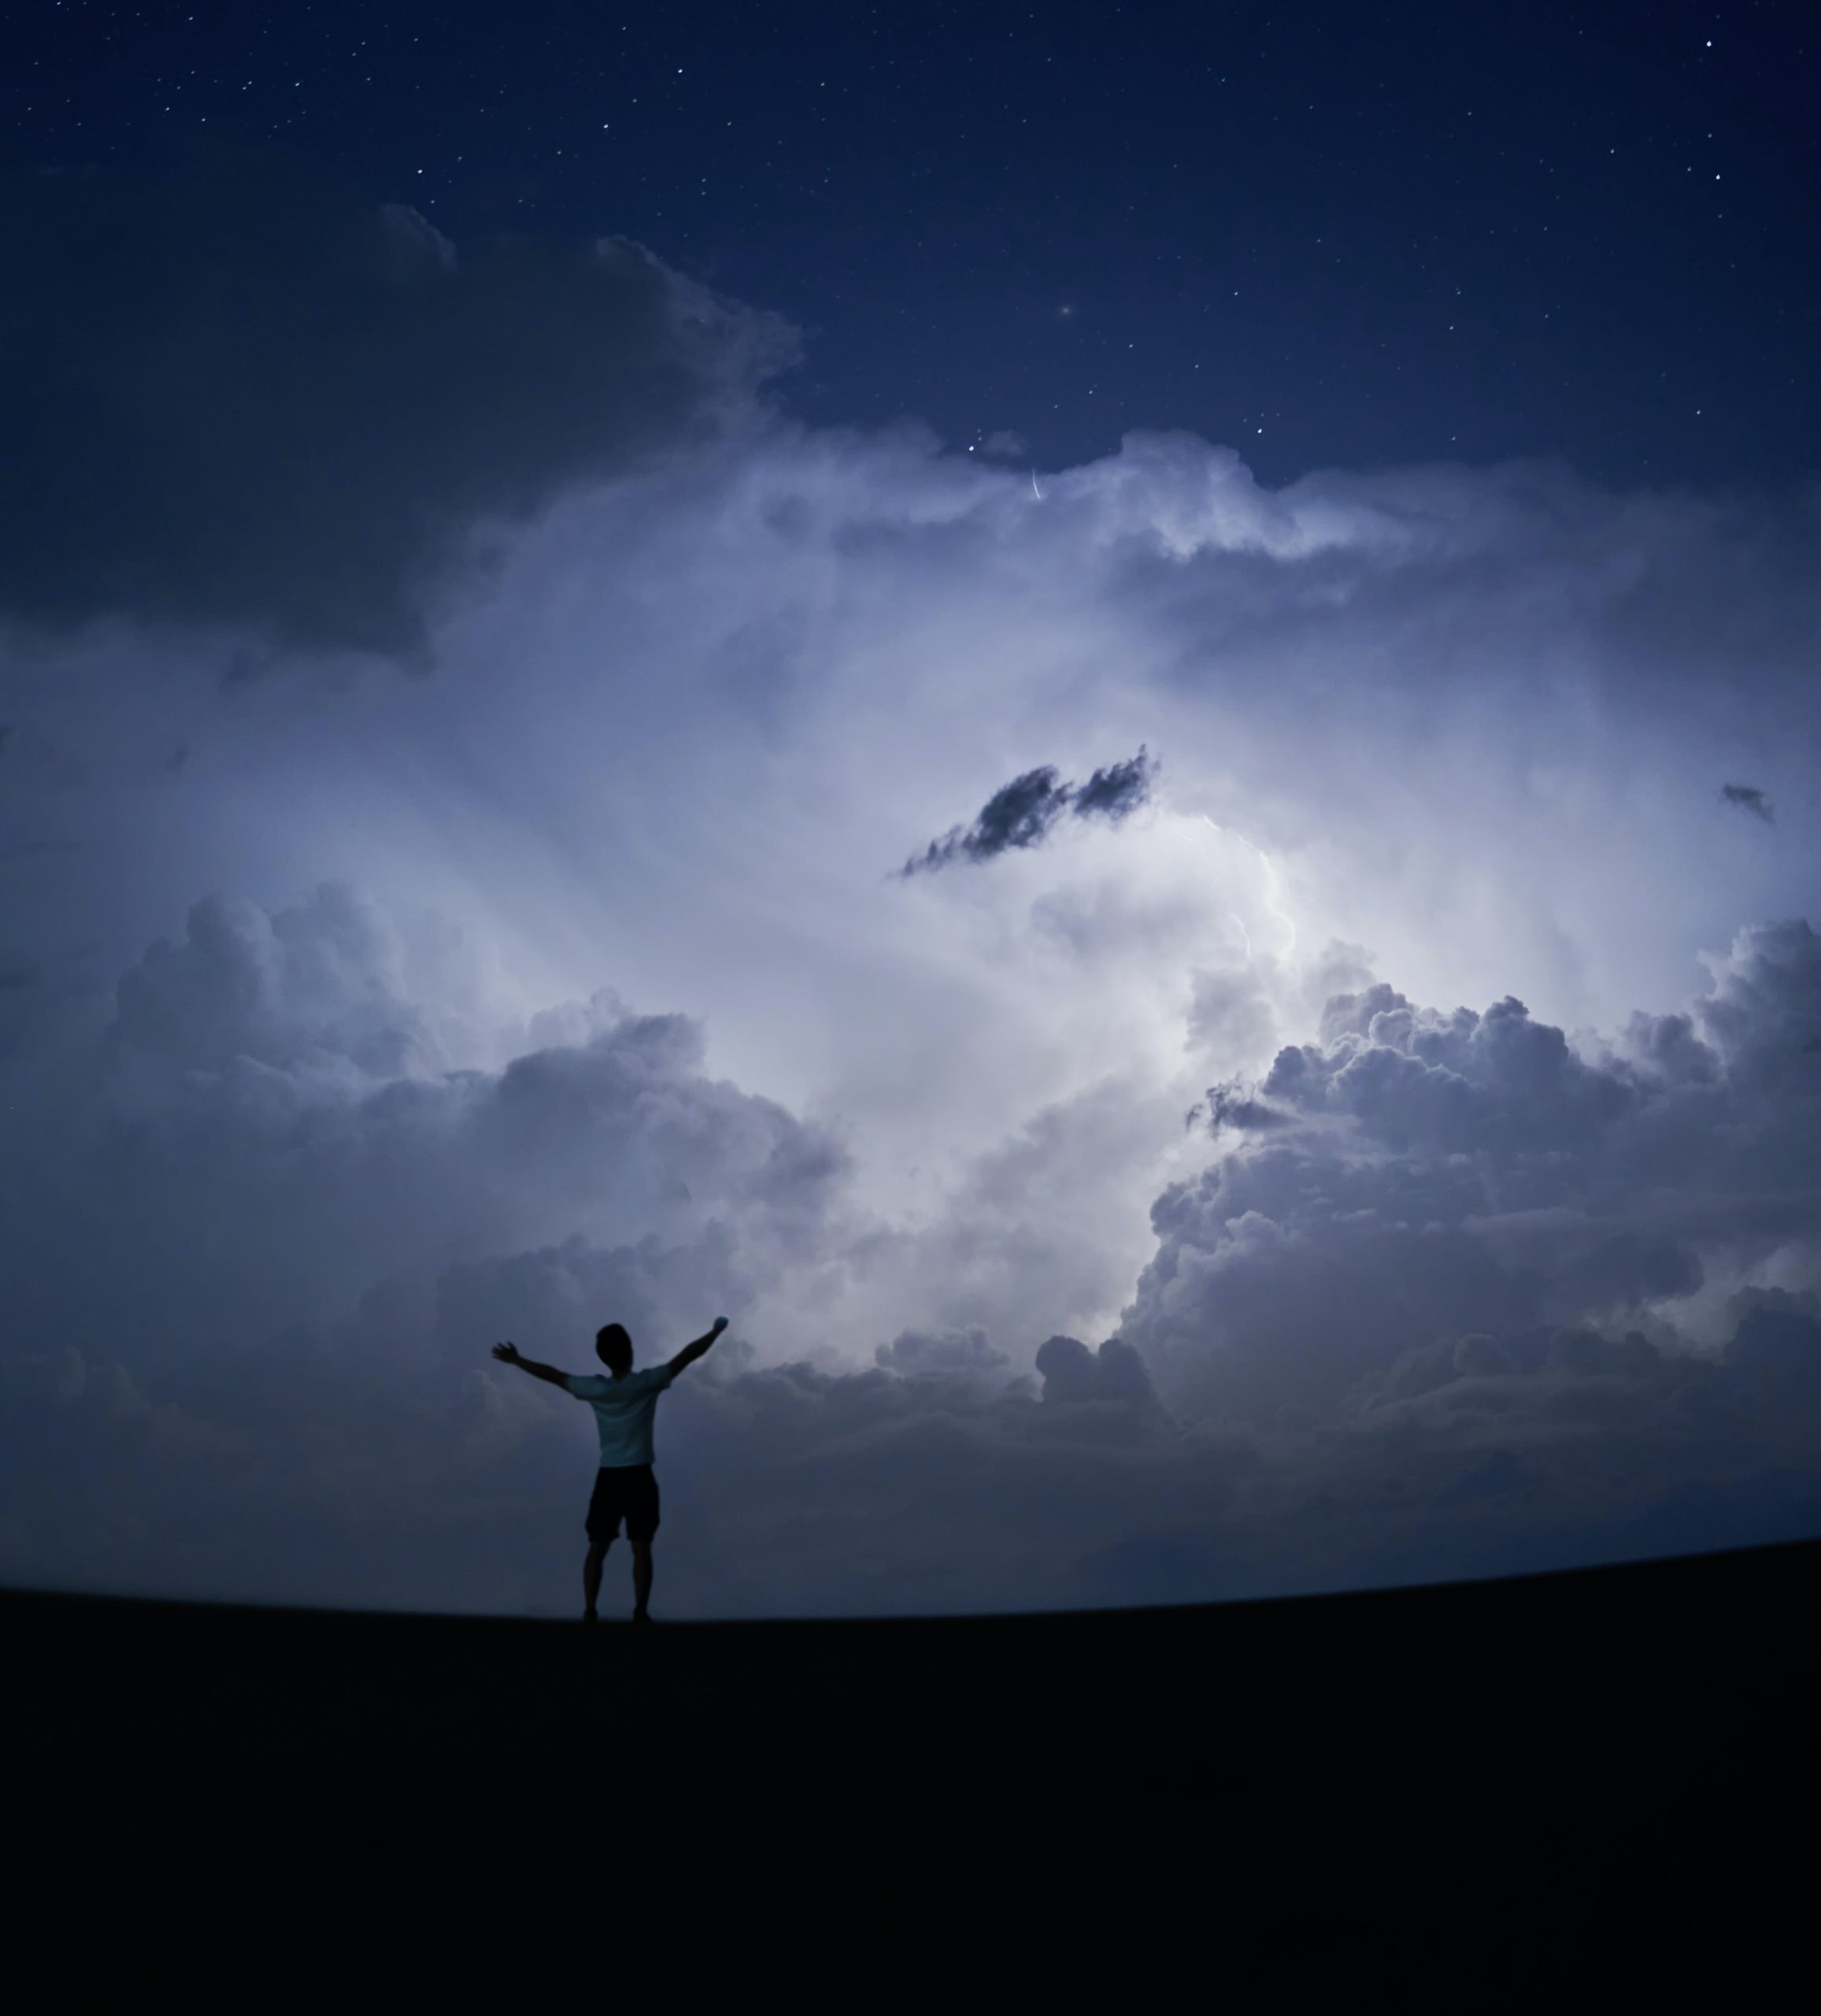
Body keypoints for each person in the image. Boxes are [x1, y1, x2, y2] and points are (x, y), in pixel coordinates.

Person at [492, 1316, 728, 1623]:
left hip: (610, 1477)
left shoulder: (594, 1389)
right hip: (640, 1476)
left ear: (603, 1356)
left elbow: (552, 1375)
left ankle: (590, 1609)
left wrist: (516, 1360)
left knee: (597, 1547)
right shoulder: (645, 1383)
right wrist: (716, 1331)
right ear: (629, 1351)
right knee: (641, 1549)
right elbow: (689, 1354)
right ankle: (640, 1611)